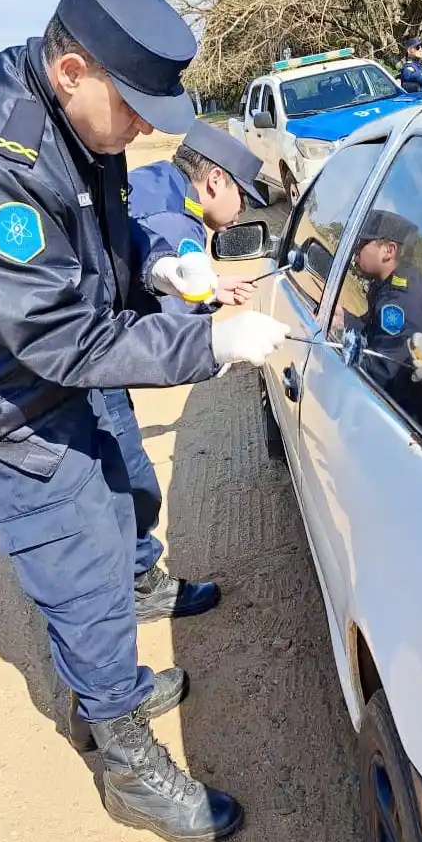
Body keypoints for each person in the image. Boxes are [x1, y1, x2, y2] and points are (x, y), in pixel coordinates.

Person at [0, 0, 290, 842]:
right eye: (131, 109)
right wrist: (207, 341)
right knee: (76, 542)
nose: (136, 131)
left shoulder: (78, 117)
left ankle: (123, 633)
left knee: (120, 479)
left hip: (51, 340)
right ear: (72, 69)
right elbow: (59, 343)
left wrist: (155, 264)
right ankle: (123, 754)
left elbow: (97, 221)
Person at [94, 120, 265, 653]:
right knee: (133, 482)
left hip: (74, 338)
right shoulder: (181, 221)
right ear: (214, 181)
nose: (242, 210)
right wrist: (220, 340)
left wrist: (210, 288)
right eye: (242, 194)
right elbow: (171, 306)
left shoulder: (153, 180)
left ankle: (133, 571)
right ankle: (137, 584)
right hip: (84, 354)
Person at [334, 210, 422, 418]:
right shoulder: (390, 285)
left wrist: (339, 352)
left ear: (388, 251)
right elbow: (373, 330)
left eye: (363, 243)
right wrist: (345, 319)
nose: (356, 250)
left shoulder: (399, 300)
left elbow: (383, 370)